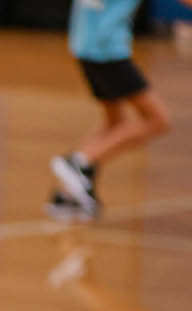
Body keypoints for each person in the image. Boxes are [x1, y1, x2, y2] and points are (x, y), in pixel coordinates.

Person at [49, 0, 171, 221]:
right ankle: (79, 162)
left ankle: (69, 193)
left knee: (115, 124)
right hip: (108, 51)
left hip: (84, 46)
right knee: (157, 120)